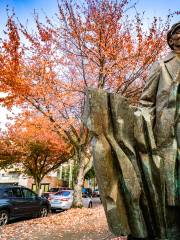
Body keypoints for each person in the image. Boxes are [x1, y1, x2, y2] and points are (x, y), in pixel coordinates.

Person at [139, 21, 180, 207]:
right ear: (171, 39)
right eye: (178, 32)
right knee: (167, 173)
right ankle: (169, 209)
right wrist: (144, 127)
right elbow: (146, 100)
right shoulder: (160, 65)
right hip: (166, 125)